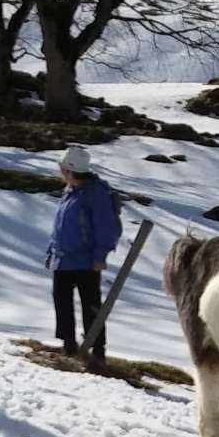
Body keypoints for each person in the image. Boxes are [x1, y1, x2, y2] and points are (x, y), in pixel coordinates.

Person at [46, 145, 123, 357]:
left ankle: (98, 350)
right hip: (63, 259)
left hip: (87, 261)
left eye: (62, 168)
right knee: (62, 302)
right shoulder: (71, 191)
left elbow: (105, 226)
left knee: (91, 306)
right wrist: (51, 250)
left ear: (70, 170)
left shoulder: (95, 193)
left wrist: (100, 256)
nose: (60, 172)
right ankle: (68, 345)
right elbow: (61, 225)